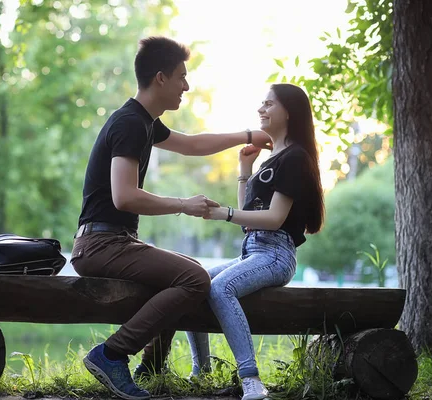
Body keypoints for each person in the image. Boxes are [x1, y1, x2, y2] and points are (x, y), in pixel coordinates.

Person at [72, 36, 273, 400]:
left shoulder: (146, 122)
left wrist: (247, 134)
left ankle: (151, 367)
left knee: (185, 270)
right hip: (100, 244)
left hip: (113, 241)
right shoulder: (130, 123)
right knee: (195, 278)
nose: (187, 85)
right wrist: (184, 203)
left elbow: (193, 144)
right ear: (160, 78)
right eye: (182, 76)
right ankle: (112, 354)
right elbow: (124, 196)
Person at [185, 83, 325, 400]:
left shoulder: (296, 158)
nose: (261, 109)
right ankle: (201, 370)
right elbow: (248, 218)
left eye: (268, 104)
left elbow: (274, 219)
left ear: (289, 111)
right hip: (252, 253)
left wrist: (224, 213)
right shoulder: (273, 159)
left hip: (276, 255)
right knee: (191, 282)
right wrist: (244, 171)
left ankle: (251, 379)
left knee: (220, 287)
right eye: (261, 104)